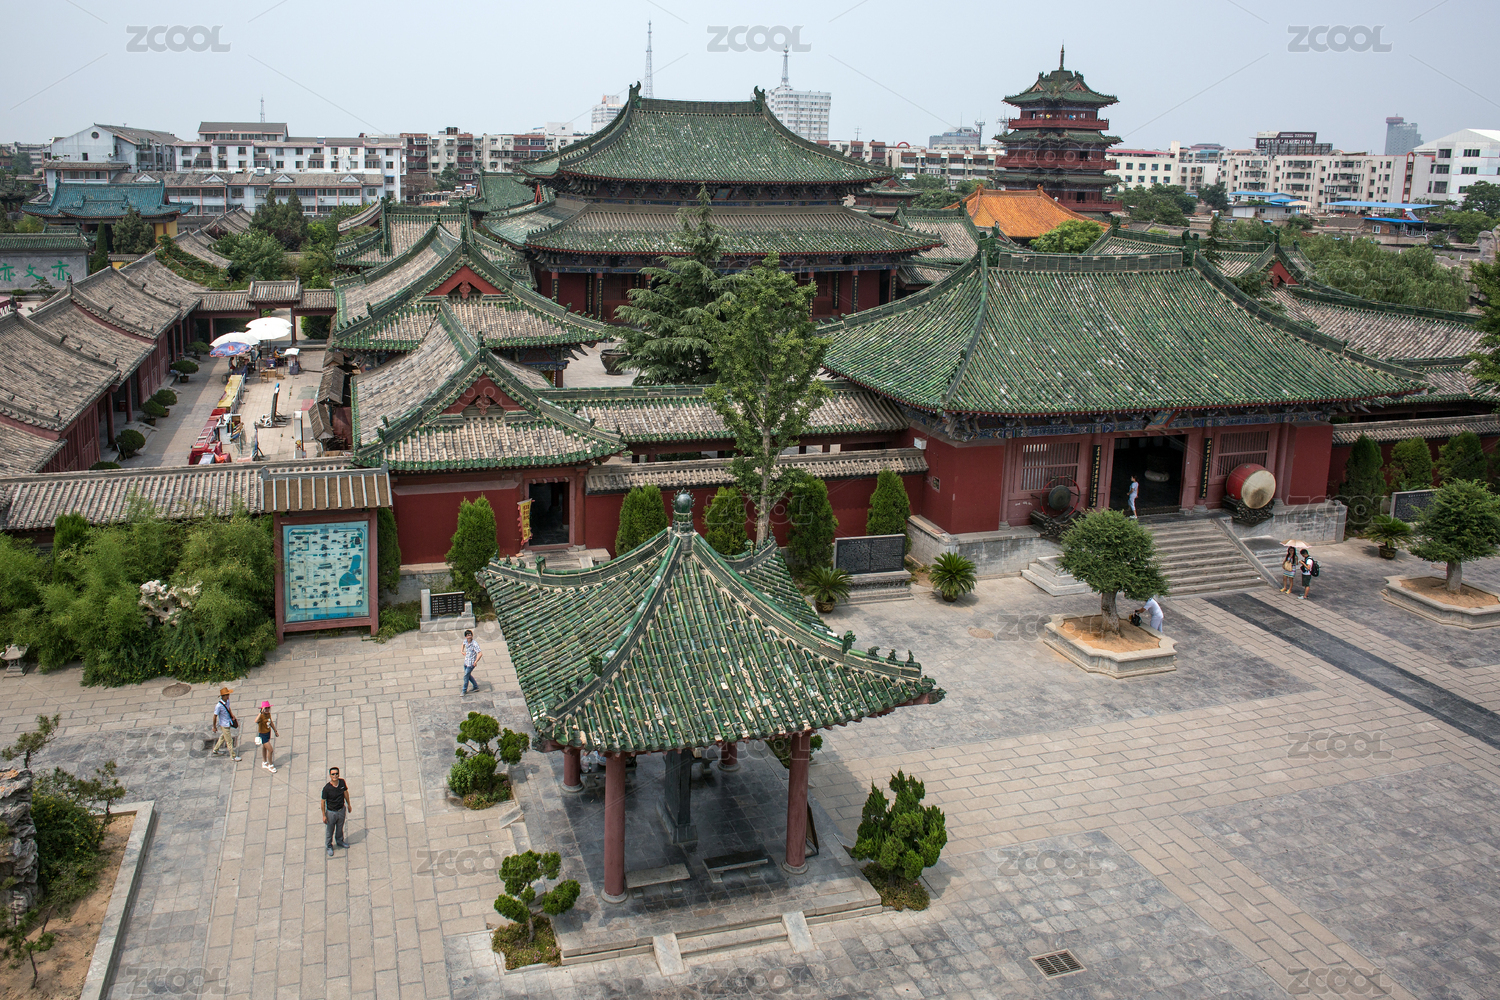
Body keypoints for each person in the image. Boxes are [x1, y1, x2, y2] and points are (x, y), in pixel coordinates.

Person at [321, 767, 351, 857]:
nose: (335, 775)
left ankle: (340, 841)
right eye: (333, 774)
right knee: (330, 830)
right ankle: (329, 846)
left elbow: (345, 793)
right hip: (331, 812)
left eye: (336, 773)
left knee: (340, 827)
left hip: (341, 810)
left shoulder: (342, 782)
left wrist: (348, 804)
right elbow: (323, 802)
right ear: (330, 775)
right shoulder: (327, 788)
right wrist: (324, 815)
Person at [211, 688, 241, 761]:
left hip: (228, 722)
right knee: (229, 741)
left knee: (223, 736)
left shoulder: (227, 701)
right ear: (223, 696)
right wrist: (214, 727)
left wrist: (232, 715)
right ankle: (233, 756)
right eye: (227, 695)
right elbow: (215, 716)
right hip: (224, 724)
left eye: (228, 694)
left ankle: (215, 749)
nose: (228, 696)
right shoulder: (218, 706)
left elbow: (228, 708)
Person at [256, 701, 279, 772]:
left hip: (268, 733)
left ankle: (264, 762)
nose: (267, 709)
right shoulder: (261, 716)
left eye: (268, 708)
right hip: (263, 735)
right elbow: (256, 721)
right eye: (266, 708)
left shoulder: (268, 714)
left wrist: (275, 730)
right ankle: (271, 765)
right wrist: (261, 712)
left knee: (264, 747)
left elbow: (271, 722)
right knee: (270, 750)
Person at [461, 629, 482, 696]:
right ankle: (476, 687)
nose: (470, 636)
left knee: (466, 676)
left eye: (470, 635)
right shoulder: (465, 641)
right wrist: (462, 651)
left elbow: (480, 653)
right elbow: (463, 644)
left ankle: (464, 690)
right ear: (466, 636)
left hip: (471, 663)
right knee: (468, 675)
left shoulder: (474, 644)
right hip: (466, 661)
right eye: (468, 635)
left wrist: (475, 661)